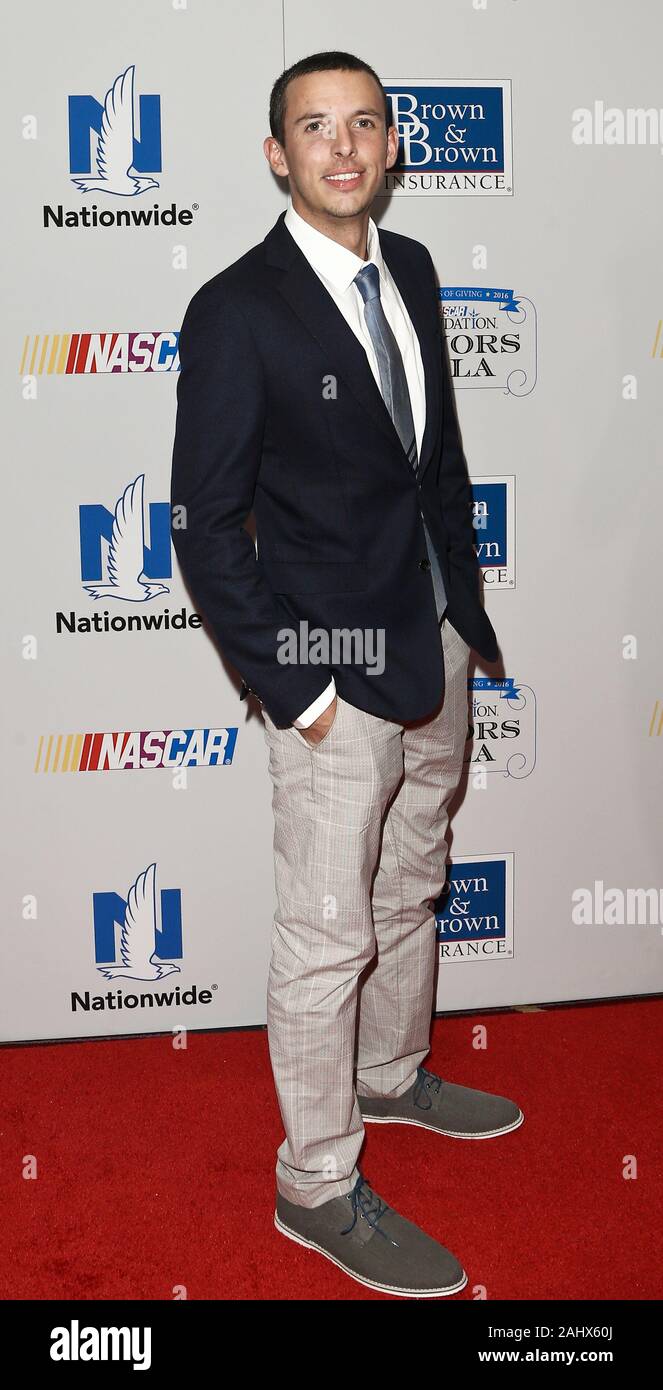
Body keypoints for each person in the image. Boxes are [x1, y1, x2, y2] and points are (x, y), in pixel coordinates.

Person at [170, 49, 523, 1299]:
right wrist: (296, 686)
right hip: (329, 669)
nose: (342, 146)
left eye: (364, 123)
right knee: (323, 937)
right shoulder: (238, 308)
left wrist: (464, 616)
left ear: (391, 145)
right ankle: (315, 1180)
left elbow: (436, 463)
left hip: (430, 640)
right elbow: (206, 528)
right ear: (278, 153)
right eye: (314, 127)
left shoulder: (411, 269)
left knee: (416, 876)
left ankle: (392, 1072)